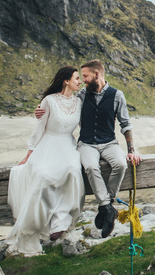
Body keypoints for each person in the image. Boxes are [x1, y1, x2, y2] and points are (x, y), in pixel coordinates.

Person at [35, 59, 141, 238]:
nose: (83, 80)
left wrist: (132, 150)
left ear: (97, 75)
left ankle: (105, 206)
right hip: (87, 143)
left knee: (121, 164)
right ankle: (107, 208)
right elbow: (62, 103)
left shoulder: (117, 95)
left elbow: (125, 124)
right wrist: (41, 109)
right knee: (91, 167)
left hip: (109, 143)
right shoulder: (82, 95)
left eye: (85, 76)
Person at [6, 66, 85, 256]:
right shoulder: (48, 101)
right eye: (76, 78)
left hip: (68, 144)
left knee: (73, 170)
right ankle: (42, 223)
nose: (80, 81)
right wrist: (28, 154)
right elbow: (38, 129)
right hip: (48, 143)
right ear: (66, 80)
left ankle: (60, 220)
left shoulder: (79, 102)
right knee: (42, 175)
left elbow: (85, 126)